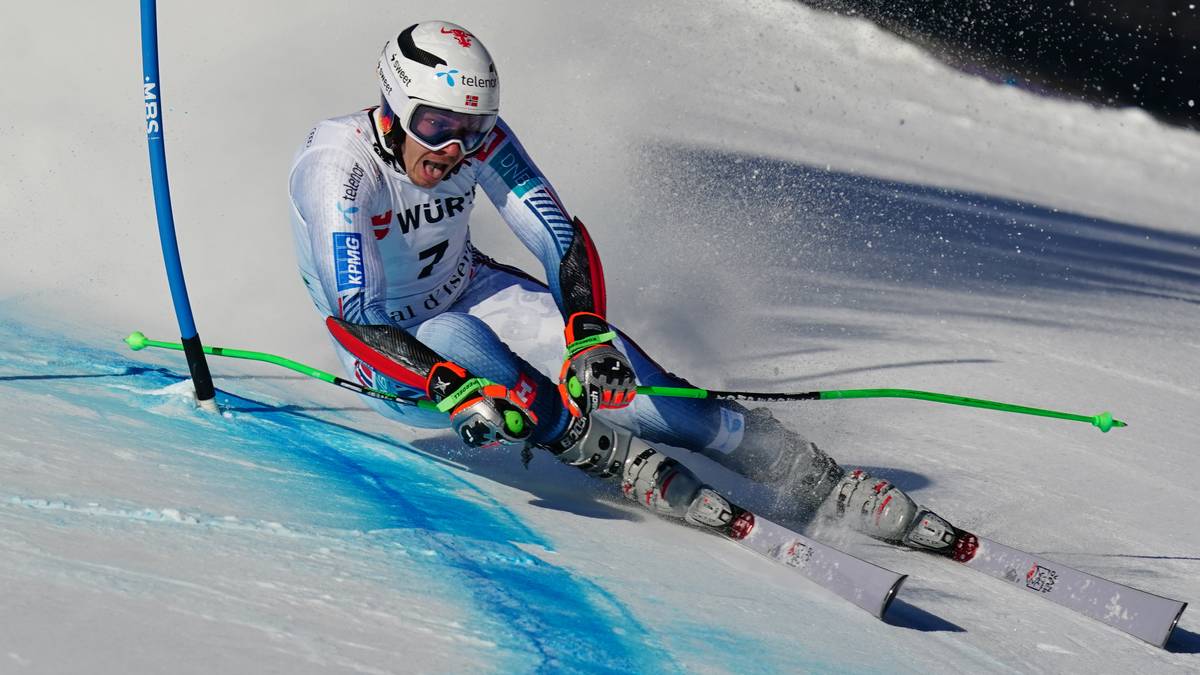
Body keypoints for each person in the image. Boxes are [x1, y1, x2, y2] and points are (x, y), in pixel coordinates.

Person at [288, 20, 969, 554]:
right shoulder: (338, 166)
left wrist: (587, 332)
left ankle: (814, 476)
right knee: (454, 339)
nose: (453, 150)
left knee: (653, 398)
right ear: (394, 105)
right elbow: (353, 318)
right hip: (390, 357)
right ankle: (585, 442)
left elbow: (559, 237)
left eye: (473, 131)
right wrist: (447, 384)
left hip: (468, 287)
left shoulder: (475, 142)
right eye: (436, 127)